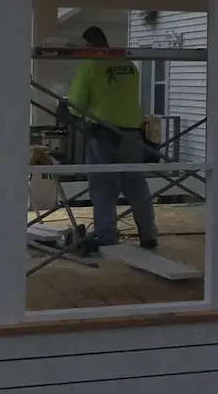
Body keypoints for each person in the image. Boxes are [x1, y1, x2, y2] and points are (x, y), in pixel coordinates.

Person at [67, 26, 158, 249]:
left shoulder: (89, 68)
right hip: (131, 135)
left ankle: (107, 238)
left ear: (88, 46)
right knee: (136, 185)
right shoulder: (129, 66)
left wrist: (72, 114)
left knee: (103, 187)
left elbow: (75, 107)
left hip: (103, 135)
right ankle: (148, 235)